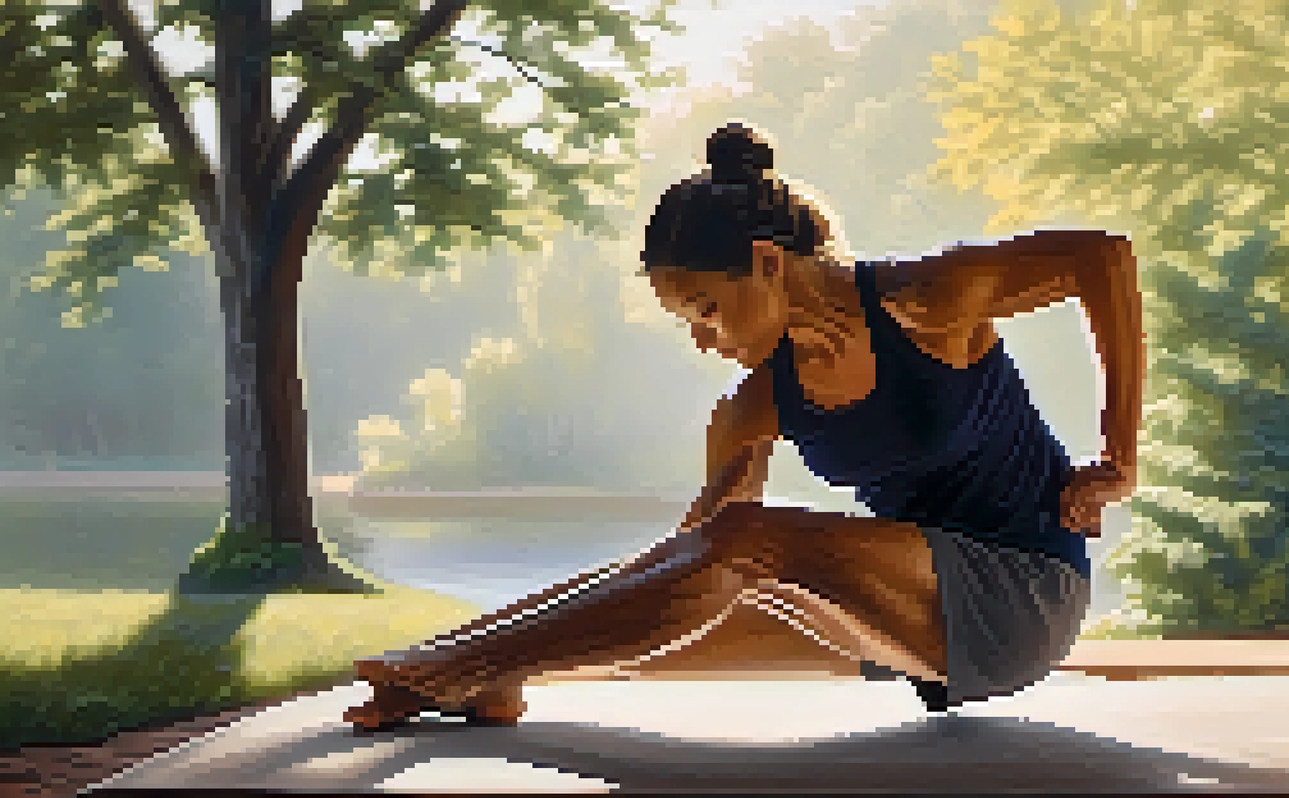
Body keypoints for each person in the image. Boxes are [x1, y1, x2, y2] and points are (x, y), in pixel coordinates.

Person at [343, 122, 1145, 732]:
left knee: (743, 539)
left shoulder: (926, 300)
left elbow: (1102, 259)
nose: (702, 338)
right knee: (661, 598)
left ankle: (456, 670)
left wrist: (1118, 454)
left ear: (767, 261)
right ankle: (470, 667)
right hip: (905, 628)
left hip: (1025, 592)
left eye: (706, 309)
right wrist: (480, 641)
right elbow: (684, 560)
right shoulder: (753, 405)